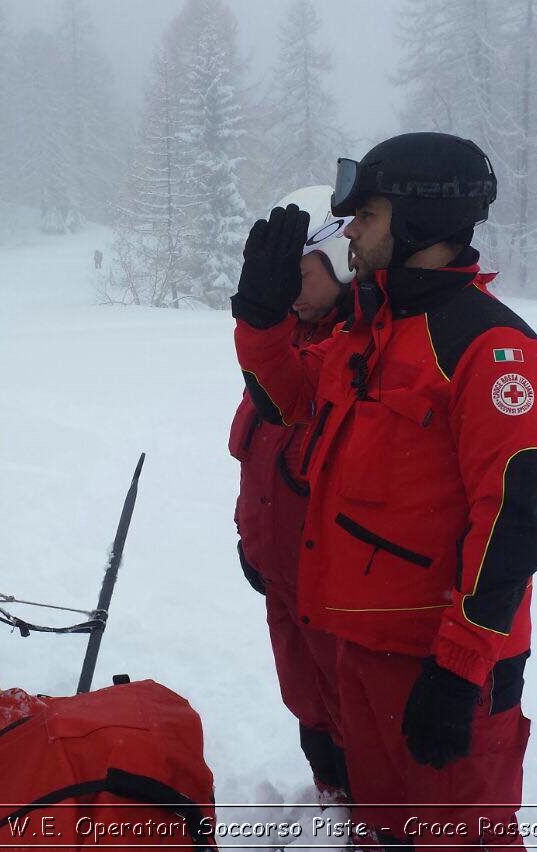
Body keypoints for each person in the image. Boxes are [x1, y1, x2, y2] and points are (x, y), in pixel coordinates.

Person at [231, 133, 537, 847]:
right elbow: (288, 406)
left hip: (441, 662)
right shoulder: (370, 334)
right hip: (361, 648)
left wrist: (460, 670)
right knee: (384, 835)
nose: (351, 231)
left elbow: (512, 523)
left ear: (419, 223)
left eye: (367, 216)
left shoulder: (493, 349)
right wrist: (260, 320)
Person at [228, 186, 354, 804]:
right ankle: (330, 799)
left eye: (303, 276)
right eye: (286, 280)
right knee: (306, 697)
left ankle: (367, 816)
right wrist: (249, 539)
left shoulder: (353, 345)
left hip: (334, 584)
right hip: (281, 572)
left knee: (350, 705)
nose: (293, 293)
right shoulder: (293, 340)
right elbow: (258, 455)